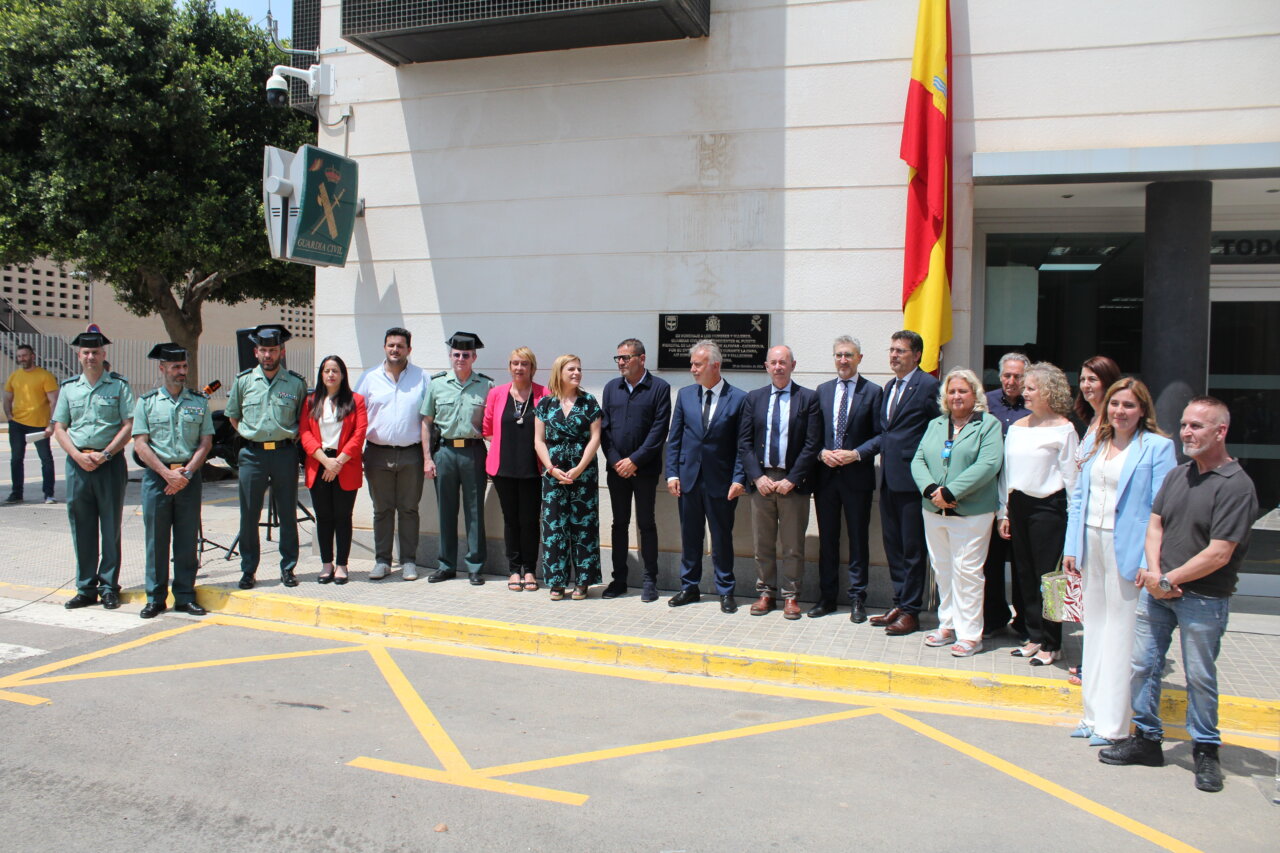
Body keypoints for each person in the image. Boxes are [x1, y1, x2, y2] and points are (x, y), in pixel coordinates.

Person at [1100, 397, 1258, 795]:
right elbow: (1155, 524)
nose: (1187, 432)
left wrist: (1167, 579)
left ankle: (1205, 748)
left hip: (1203, 598)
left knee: (1200, 677)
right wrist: (1155, 574)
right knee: (1142, 665)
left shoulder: (1236, 486)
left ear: (1220, 431)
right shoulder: (1179, 475)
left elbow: (1219, 552)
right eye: (1185, 425)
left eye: (1197, 426)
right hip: (1160, 590)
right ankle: (1147, 740)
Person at [1063, 377, 1175, 746]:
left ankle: (1112, 724)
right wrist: (1071, 547)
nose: (1120, 411)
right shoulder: (1097, 441)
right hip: (1091, 542)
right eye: (1115, 404)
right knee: (1095, 631)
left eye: (1129, 405)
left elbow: (1161, 509)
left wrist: (1150, 560)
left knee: (1121, 637)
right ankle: (1091, 715)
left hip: (1129, 550)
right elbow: (1078, 497)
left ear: (1143, 409)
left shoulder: (1158, 447)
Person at [911, 368, 1004, 657]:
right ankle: (947, 623)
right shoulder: (936, 424)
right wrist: (931, 491)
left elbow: (989, 464)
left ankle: (971, 634)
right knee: (943, 568)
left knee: (968, 572)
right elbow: (919, 460)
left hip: (971, 513)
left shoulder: (988, 425)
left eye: (962, 391)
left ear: (974, 394)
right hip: (934, 511)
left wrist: (951, 492)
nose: (956, 396)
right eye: (951, 391)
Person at [997, 362, 1080, 667]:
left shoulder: (1065, 429)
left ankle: (1053, 642)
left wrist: (1074, 523)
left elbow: (1073, 479)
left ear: (1048, 392)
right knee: (1025, 576)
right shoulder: (1018, 427)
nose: (1024, 392)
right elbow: (1007, 474)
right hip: (1018, 506)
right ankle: (1034, 635)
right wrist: (1003, 512)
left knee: (1050, 579)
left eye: (1031, 388)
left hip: (1050, 509)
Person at [51, 331, 134, 610]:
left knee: (110, 527)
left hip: (109, 464)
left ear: (103, 355)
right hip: (78, 465)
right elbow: (59, 428)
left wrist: (106, 453)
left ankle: (109, 586)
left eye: (95, 352)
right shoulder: (69, 388)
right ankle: (85, 588)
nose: (90, 357)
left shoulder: (119, 386)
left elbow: (128, 424)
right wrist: (76, 455)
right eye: (85, 353)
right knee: (82, 527)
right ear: (79, 356)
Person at [738, 345, 822, 620]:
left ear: (793, 365)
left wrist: (793, 479)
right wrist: (756, 477)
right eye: (773, 362)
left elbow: (812, 444)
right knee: (763, 543)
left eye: (783, 362)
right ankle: (765, 593)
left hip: (792, 483)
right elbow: (745, 442)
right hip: (762, 481)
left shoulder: (807, 399)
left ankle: (791, 596)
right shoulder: (754, 399)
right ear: (766, 366)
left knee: (792, 544)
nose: (778, 367)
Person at [865, 330, 940, 636]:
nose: (894, 355)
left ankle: (912, 611)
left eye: (901, 351)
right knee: (893, 546)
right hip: (888, 479)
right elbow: (886, 433)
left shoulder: (928, 386)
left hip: (913, 482)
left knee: (912, 549)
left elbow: (938, 430)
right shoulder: (889, 386)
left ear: (917, 355)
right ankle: (899, 602)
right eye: (892, 350)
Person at [131, 343, 213, 618]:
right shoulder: (146, 402)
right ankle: (155, 597)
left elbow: (205, 442)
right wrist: (167, 474)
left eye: (184, 367)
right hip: (158, 479)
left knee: (187, 539)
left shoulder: (199, 401)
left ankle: (185, 596)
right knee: (156, 539)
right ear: (162, 368)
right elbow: (140, 444)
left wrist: (186, 473)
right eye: (176, 367)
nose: (181, 372)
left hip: (188, 478)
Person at [666, 340, 748, 613]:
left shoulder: (738, 398)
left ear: (715, 365)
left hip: (722, 482)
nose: (692, 369)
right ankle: (689, 587)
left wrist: (739, 479)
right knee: (690, 536)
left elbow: (742, 445)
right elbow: (674, 438)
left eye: (697, 364)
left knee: (722, 536)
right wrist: (672, 473)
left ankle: (726, 590)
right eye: (692, 364)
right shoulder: (686, 395)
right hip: (688, 478)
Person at [224, 324, 308, 590]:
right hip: (253, 455)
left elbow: (302, 419)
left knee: (287, 513)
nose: (268, 355)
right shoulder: (244, 380)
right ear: (256, 352)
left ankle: (288, 568)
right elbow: (233, 416)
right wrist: (251, 435)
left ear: (281, 352)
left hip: (284, 453)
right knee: (249, 515)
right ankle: (249, 570)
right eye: (263, 350)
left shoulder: (296, 383)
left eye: (273, 350)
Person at [812, 336, 882, 622]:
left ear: (859, 358)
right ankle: (827, 597)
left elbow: (881, 435)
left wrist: (857, 453)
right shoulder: (823, 391)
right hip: (826, 478)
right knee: (827, 540)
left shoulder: (874, 392)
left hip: (857, 478)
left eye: (849, 355)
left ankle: (857, 599)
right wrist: (820, 453)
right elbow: (812, 434)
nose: (843, 360)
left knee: (857, 540)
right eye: (839, 355)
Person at [599, 338, 671, 601]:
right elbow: (603, 429)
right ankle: (619, 580)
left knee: (646, 523)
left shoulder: (660, 388)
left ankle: (650, 580)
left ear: (641, 359)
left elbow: (658, 431)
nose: (620, 362)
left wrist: (635, 461)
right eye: (618, 358)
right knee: (619, 524)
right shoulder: (610, 388)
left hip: (645, 470)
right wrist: (618, 461)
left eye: (625, 358)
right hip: (616, 470)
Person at [354, 328, 428, 581]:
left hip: (411, 454)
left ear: (409, 349)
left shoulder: (422, 378)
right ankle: (382, 561)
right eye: (390, 345)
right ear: (384, 347)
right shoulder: (369, 378)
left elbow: (430, 418)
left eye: (400, 345)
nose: (395, 349)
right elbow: (356, 416)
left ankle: (409, 561)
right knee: (382, 510)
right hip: (377, 453)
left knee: (409, 509)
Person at [421, 331, 494, 585]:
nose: (460, 358)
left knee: (475, 512)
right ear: (450, 356)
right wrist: (427, 458)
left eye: (465, 355)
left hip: (473, 452)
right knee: (446, 511)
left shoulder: (486, 385)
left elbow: (493, 425)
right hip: (445, 452)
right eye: (456, 355)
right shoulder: (437, 383)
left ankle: (475, 566)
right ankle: (446, 565)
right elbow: (426, 422)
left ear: (473, 357)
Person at [533, 354, 602, 600]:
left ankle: (584, 582)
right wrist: (551, 468)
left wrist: (581, 467)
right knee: (554, 527)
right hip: (553, 474)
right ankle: (556, 582)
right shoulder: (545, 404)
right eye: (571, 369)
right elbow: (538, 440)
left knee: (583, 527)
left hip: (583, 472)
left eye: (579, 369)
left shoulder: (589, 402)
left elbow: (595, 438)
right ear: (559, 372)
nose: (577, 373)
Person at [483, 347, 548, 592]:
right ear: (509, 367)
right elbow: (487, 428)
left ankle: (530, 569)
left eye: (524, 364)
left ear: (533, 368)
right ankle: (514, 569)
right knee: (511, 520)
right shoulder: (497, 394)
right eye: (515, 363)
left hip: (534, 468)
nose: (519, 368)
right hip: (504, 468)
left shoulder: (544, 393)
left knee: (530, 521)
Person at [300, 355, 368, 585]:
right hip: (319, 463)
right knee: (324, 517)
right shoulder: (311, 402)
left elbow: (359, 435)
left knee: (342, 517)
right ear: (321, 374)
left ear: (342, 374)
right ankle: (326, 564)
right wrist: (325, 461)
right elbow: (305, 434)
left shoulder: (356, 400)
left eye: (335, 370)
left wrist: (337, 462)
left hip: (345, 464)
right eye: (327, 370)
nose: (331, 374)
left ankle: (342, 565)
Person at [981, 352, 1030, 637]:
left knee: (1023, 562)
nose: (1012, 381)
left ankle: (1024, 620)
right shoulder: (986, 404)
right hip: (989, 493)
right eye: (1007, 376)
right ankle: (995, 616)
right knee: (991, 561)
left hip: (1022, 493)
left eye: (1018, 376)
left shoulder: (1035, 406)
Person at [4, 343, 58, 504]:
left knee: (46, 459)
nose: (22, 359)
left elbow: (54, 401)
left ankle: (49, 494)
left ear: (32, 356)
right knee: (16, 459)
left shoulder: (45, 376)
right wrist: (8, 415)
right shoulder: (14, 376)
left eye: (25, 355)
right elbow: (7, 397)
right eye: (20, 356)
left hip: (39, 425)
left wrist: (51, 424)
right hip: (17, 424)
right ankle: (16, 493)